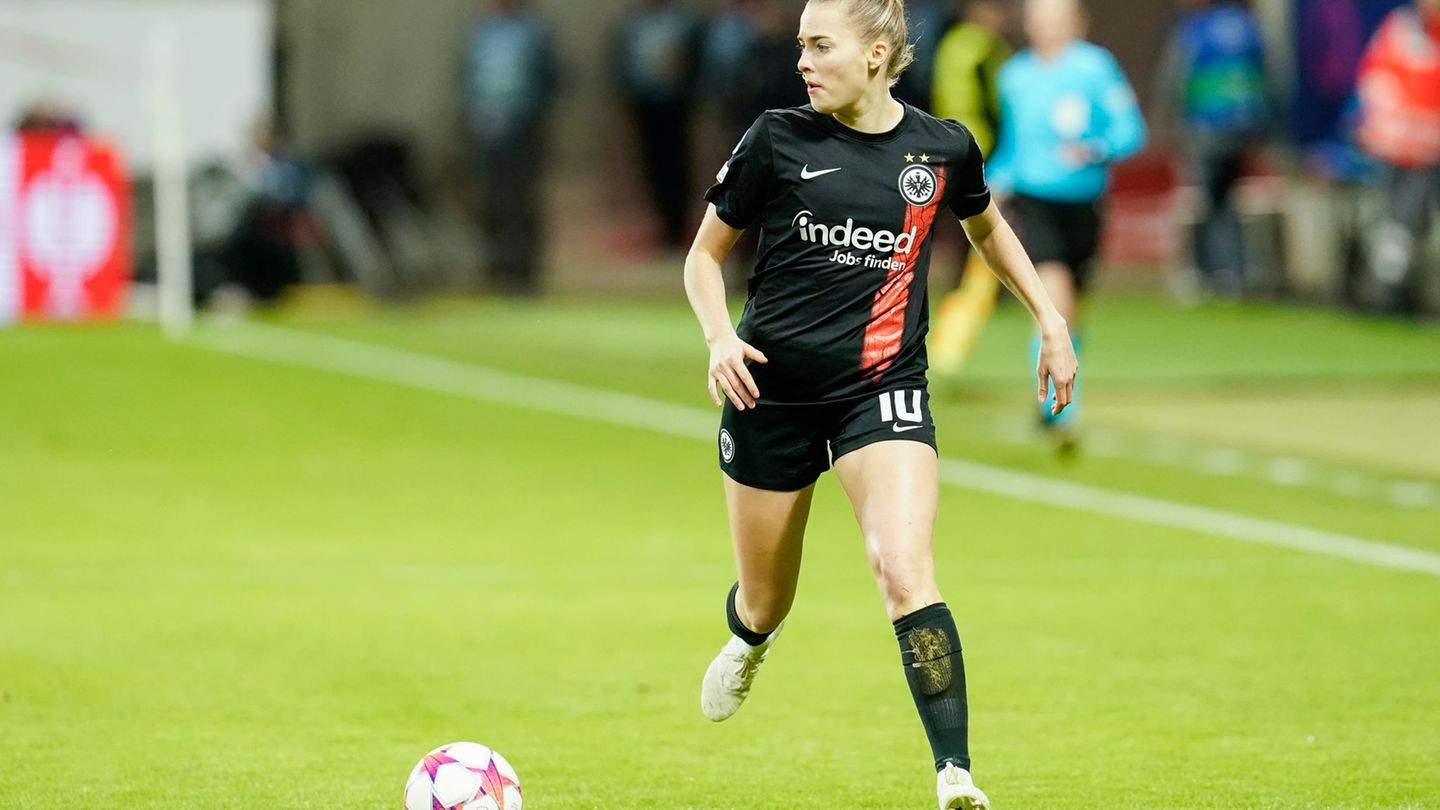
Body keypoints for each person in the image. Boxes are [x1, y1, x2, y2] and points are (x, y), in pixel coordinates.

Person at [682, 1, 1077, 807]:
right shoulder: (777, 139)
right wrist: (721, 337)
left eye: (818, 45)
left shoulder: (939, 150)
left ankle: (955, 774)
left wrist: (1048, 316)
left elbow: (988, 228)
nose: (802, 60)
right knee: (764, 599)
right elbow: (703, 255)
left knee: (903, 570)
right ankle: (752, 639)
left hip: (881, 390)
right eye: (801, 45)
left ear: (876, 52)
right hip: (770, 395)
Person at [985, 0, 1146, 450]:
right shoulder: (1014, 75)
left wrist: (1093, 149)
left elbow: (1130, 133)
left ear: (1076, 24)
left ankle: (1057, 383)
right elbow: (1012, 144)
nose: (1046, 30)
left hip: (1085, 204)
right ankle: (1058, 411)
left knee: (1073, 311)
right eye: (1038, 22)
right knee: (1054, 301)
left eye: (1055, 21)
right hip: (1035, 201)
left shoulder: (1096, 68)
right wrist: (992, 184)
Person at [1154, 0, 1270, 298]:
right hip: (1242, 128)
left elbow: (1175, 78)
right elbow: (1266, 74)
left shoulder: (1194, 29)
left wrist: (1166, 123)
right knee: (1228, 200)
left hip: (1203, 130)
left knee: (1205, 201)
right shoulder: (1247, 26)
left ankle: (1207, 274)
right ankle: (1235, 272)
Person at [927, 0, 1012, 375]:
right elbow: (999, 102)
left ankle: (952, 295)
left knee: (952, 231)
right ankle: (984, 295)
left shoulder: (951, 45)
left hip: (948, 142)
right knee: (986, 227)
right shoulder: (985, 47)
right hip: (980, 147)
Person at [463, 0, 558, 297]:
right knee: (492, 198)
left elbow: (552, 78)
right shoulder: (481, 33)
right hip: (486, 129)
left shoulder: (533, 32)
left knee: (521, 198)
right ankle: (497, 266)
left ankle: (524, 271)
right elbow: (467, 78)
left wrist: (530, 112)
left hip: (523, 128)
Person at [1354, 0, 1440, 315]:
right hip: (1402, 149)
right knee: (1398, 223)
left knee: (1411, 223)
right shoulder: (1400, 29)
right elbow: (1376, 79)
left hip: (1427, 147)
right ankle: (1391, 293)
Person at [615, 0, 706, 250]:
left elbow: (695, 62)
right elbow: (623, 63)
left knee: (677, 165)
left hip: (677, 104)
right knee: (653, 166)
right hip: (645, 104)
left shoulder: (684, 22)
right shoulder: (635, 24)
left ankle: (678, 226)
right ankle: (663, 226)